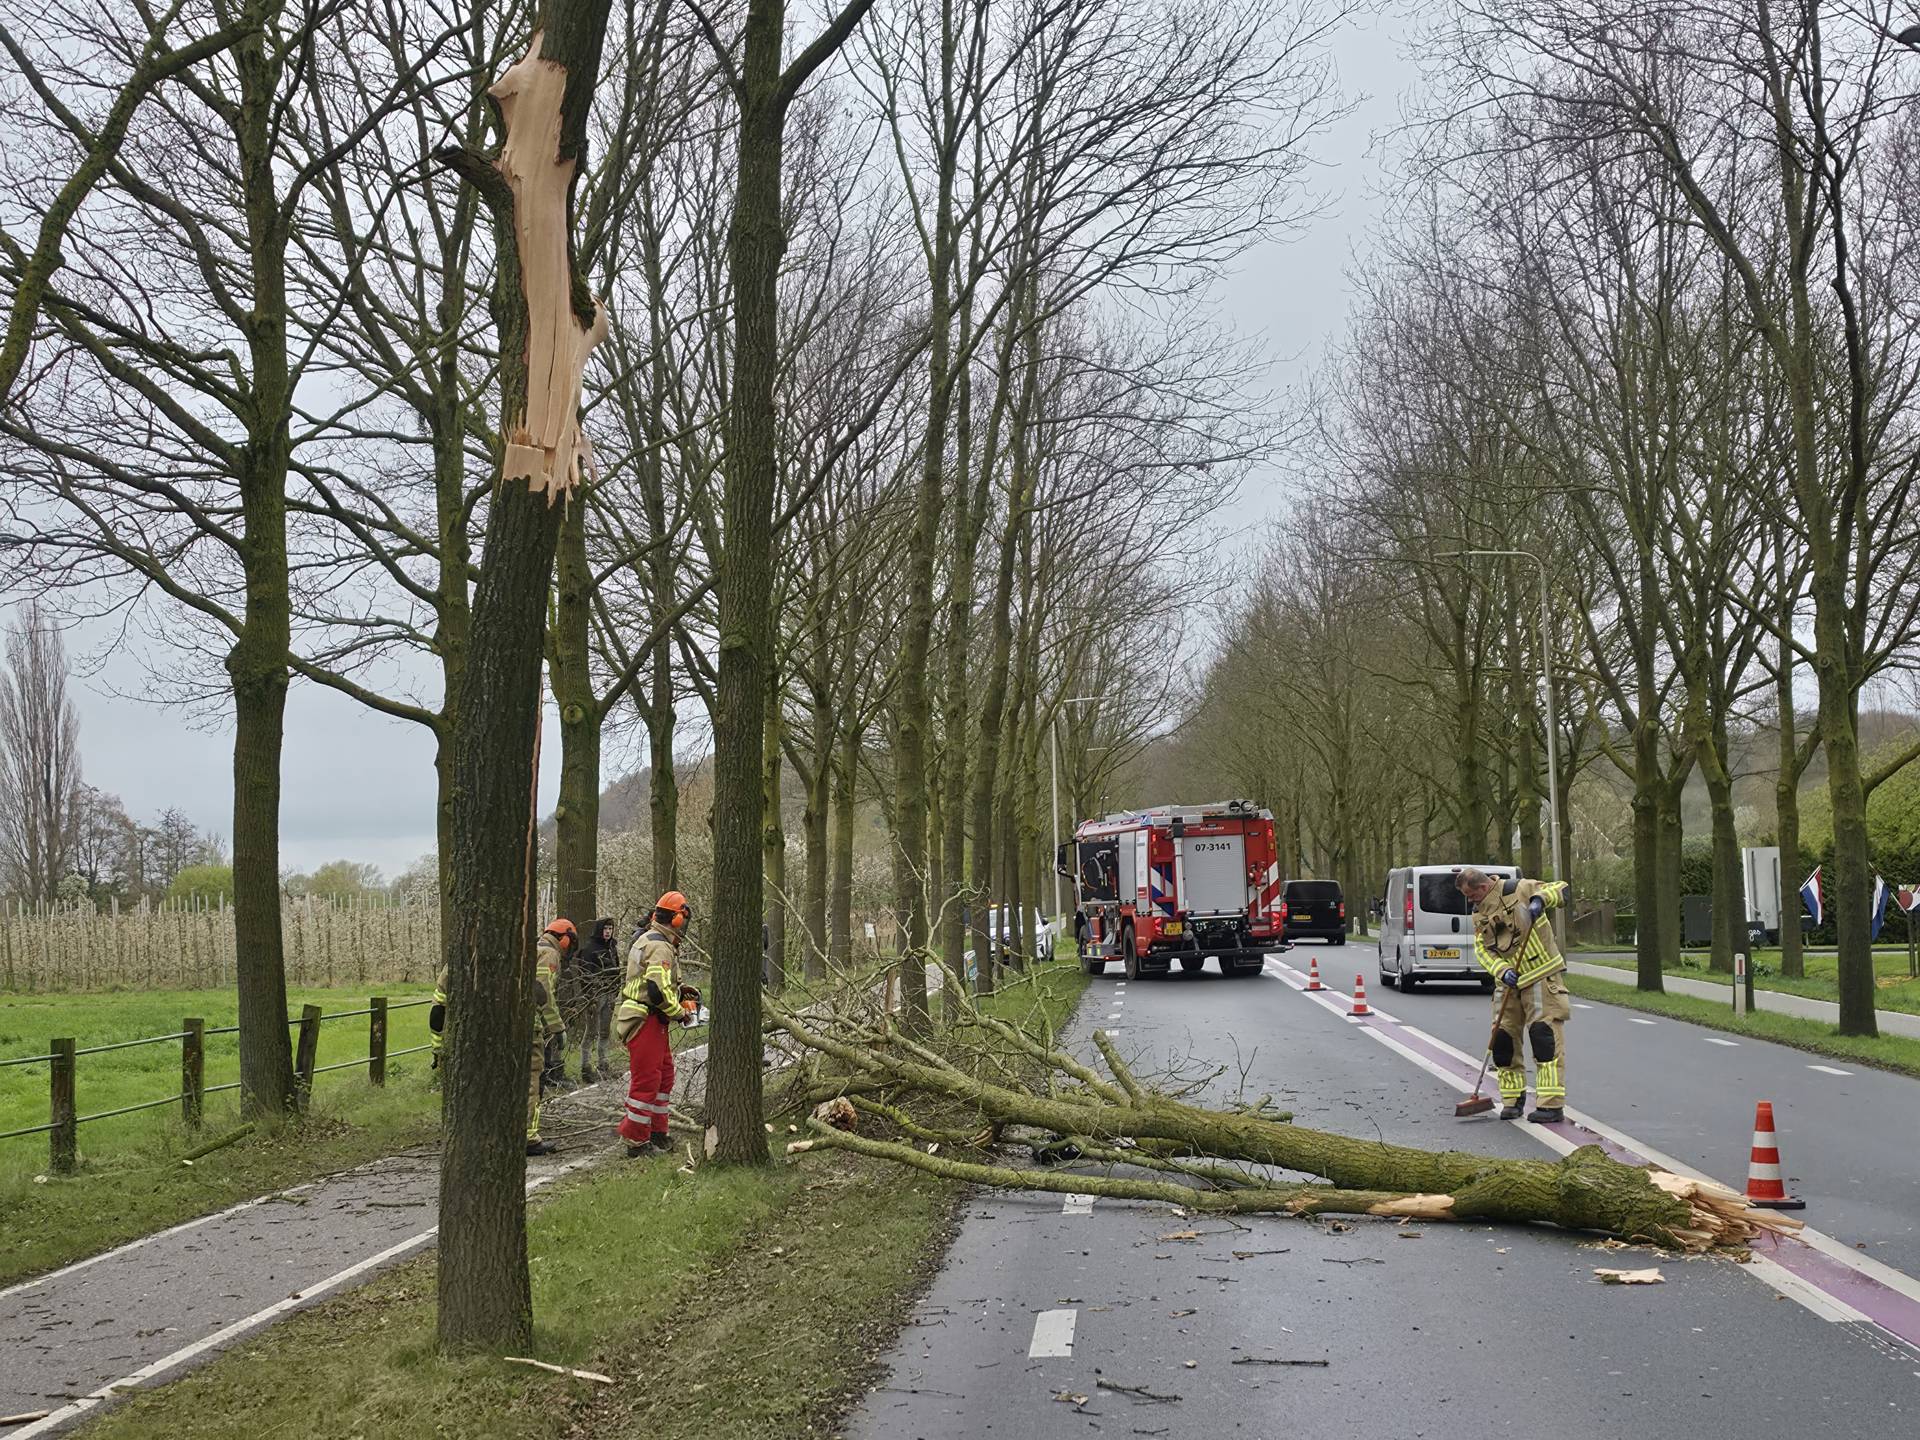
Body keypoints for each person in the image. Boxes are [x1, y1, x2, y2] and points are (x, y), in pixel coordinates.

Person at [1457, 868, 1571, 1123]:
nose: (1470, 900)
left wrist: (1541, 900)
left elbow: (1561, 888)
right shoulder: (1479, 914)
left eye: (1471, 894)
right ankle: (1512, 1100)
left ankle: (1551, 1104)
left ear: (1483, 887)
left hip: (1541, 977)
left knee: (1544, 1038)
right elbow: (1482, 950)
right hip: (1508, 983)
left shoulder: (1519, 888)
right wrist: (1502, 970)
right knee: (1503, 1041)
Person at [614, 891, 694, 1157]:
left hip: (653, 1018)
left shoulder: (656, 940)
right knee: (647, 1080)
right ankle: (636, 1141)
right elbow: (657, 989)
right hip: (644, 1017)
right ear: (677, 919)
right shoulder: (659, 945)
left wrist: (681, 992)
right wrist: (679, 1013)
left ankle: (658, 1131)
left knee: (665, 1076)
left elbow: (663, 984)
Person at [527, 918, 573, 1156]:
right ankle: (529, 1138)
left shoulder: (533, 948)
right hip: (531, 1025)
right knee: (532, 1081)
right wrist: (557, 1027)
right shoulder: (549, 954)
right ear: (564, 938)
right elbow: (542, 992)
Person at [572, 917, 620, 1083]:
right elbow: (584, 975)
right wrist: (590, 997)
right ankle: (586, 1068)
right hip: (595, 995)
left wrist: (615, 990)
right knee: (591, 1032)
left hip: (610, 994)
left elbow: (617, 970)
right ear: (600, 929)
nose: (608, 931)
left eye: (610, 928)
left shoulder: (612, 947)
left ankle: (603, 1065)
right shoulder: (590, 949)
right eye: (605, 928)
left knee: (605, 1031)